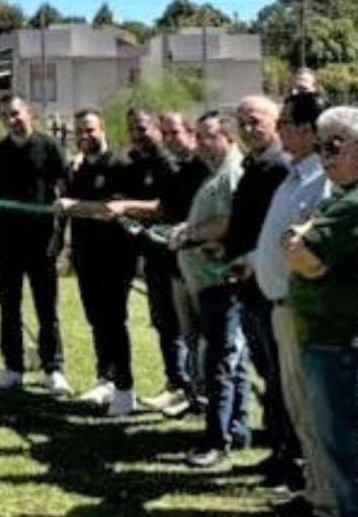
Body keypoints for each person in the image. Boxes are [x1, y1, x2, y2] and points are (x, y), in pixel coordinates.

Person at [250, 92, 333, 516]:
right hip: (281, 307)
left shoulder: (322, 181)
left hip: (303, 308)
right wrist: (253, 261)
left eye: (284, 122)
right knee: (299, 406)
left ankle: (328, 498)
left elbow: (311, 247)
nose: (278, 129)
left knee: (315, 410)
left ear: (307, 131)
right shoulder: (293, 175)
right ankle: (316, 490)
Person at [286, 105, 358, 517]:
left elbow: (304, 257)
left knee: (348, 460)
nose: (325, 157)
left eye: (334, 146)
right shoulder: (345, 198)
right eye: (320, 148)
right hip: (335, 343)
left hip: (340, 347)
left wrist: (295, 238)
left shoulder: (353, 203)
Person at [222, 95, 299, 485]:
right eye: (242, 122)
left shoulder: (282, 168)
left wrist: (251, 258)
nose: (248, 128)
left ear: (276, 123)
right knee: (269, 374)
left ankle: (293, 458)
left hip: (270, 285)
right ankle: (279, 449)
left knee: (282, 378)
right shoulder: (254, 166)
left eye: (255, 120)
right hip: (249, 286)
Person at [170, 111, 248, 468]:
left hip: (221, 281)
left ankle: (217, 439)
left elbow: (229, 221)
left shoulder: (231, 173)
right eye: (199, 136)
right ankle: (237, 429)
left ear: (228, 137)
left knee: (219, 361)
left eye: (209, 136)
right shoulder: (216, 172)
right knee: (231, 359)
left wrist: (190, 233)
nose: (201, 143)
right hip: (209, 281)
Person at [106, 109, 191, 414]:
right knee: (163, 321)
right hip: (152, 255)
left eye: (142, 128)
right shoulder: (135, 163)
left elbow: (162, 207)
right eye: (132, 129)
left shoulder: (169, 163)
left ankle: (185, 387)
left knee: (178, 324)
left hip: (175, 254)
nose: (137, 135)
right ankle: (175, 384)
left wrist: (126, 206)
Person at [0, 95, 70, 395]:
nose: (12, 121)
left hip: (42, 240)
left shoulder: (49, 146)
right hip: (7, 239)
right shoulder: (0, 150)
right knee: (9, 306)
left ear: (29, 113)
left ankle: (53, 368)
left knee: (46, 308)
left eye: (15, 114)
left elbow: (65, 189)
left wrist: (61, 235)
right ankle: (13, 367)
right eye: (5, 116)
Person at [58, 109, 137, 417]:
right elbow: (65, 209)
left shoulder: (119, 165)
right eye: (79, 131)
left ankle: (125, 389)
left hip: (115, 254)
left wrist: (74, 206)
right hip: (85, 253)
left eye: (89, 130)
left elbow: (111, 209)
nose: (84, 136)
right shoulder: (78, 168)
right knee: (96, 320)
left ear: (102, 129)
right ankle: (105, 378)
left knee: (114, 320)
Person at [157, 111, 212, 417]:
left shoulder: (208, 170)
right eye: (165, 134)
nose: (170, 140)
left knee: (209, 338)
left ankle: (210, 398)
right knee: (190, 336)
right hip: (178, 265)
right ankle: (195, 396)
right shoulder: (174, 171)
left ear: (191, 133)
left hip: (205, 267)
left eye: (175, 132)